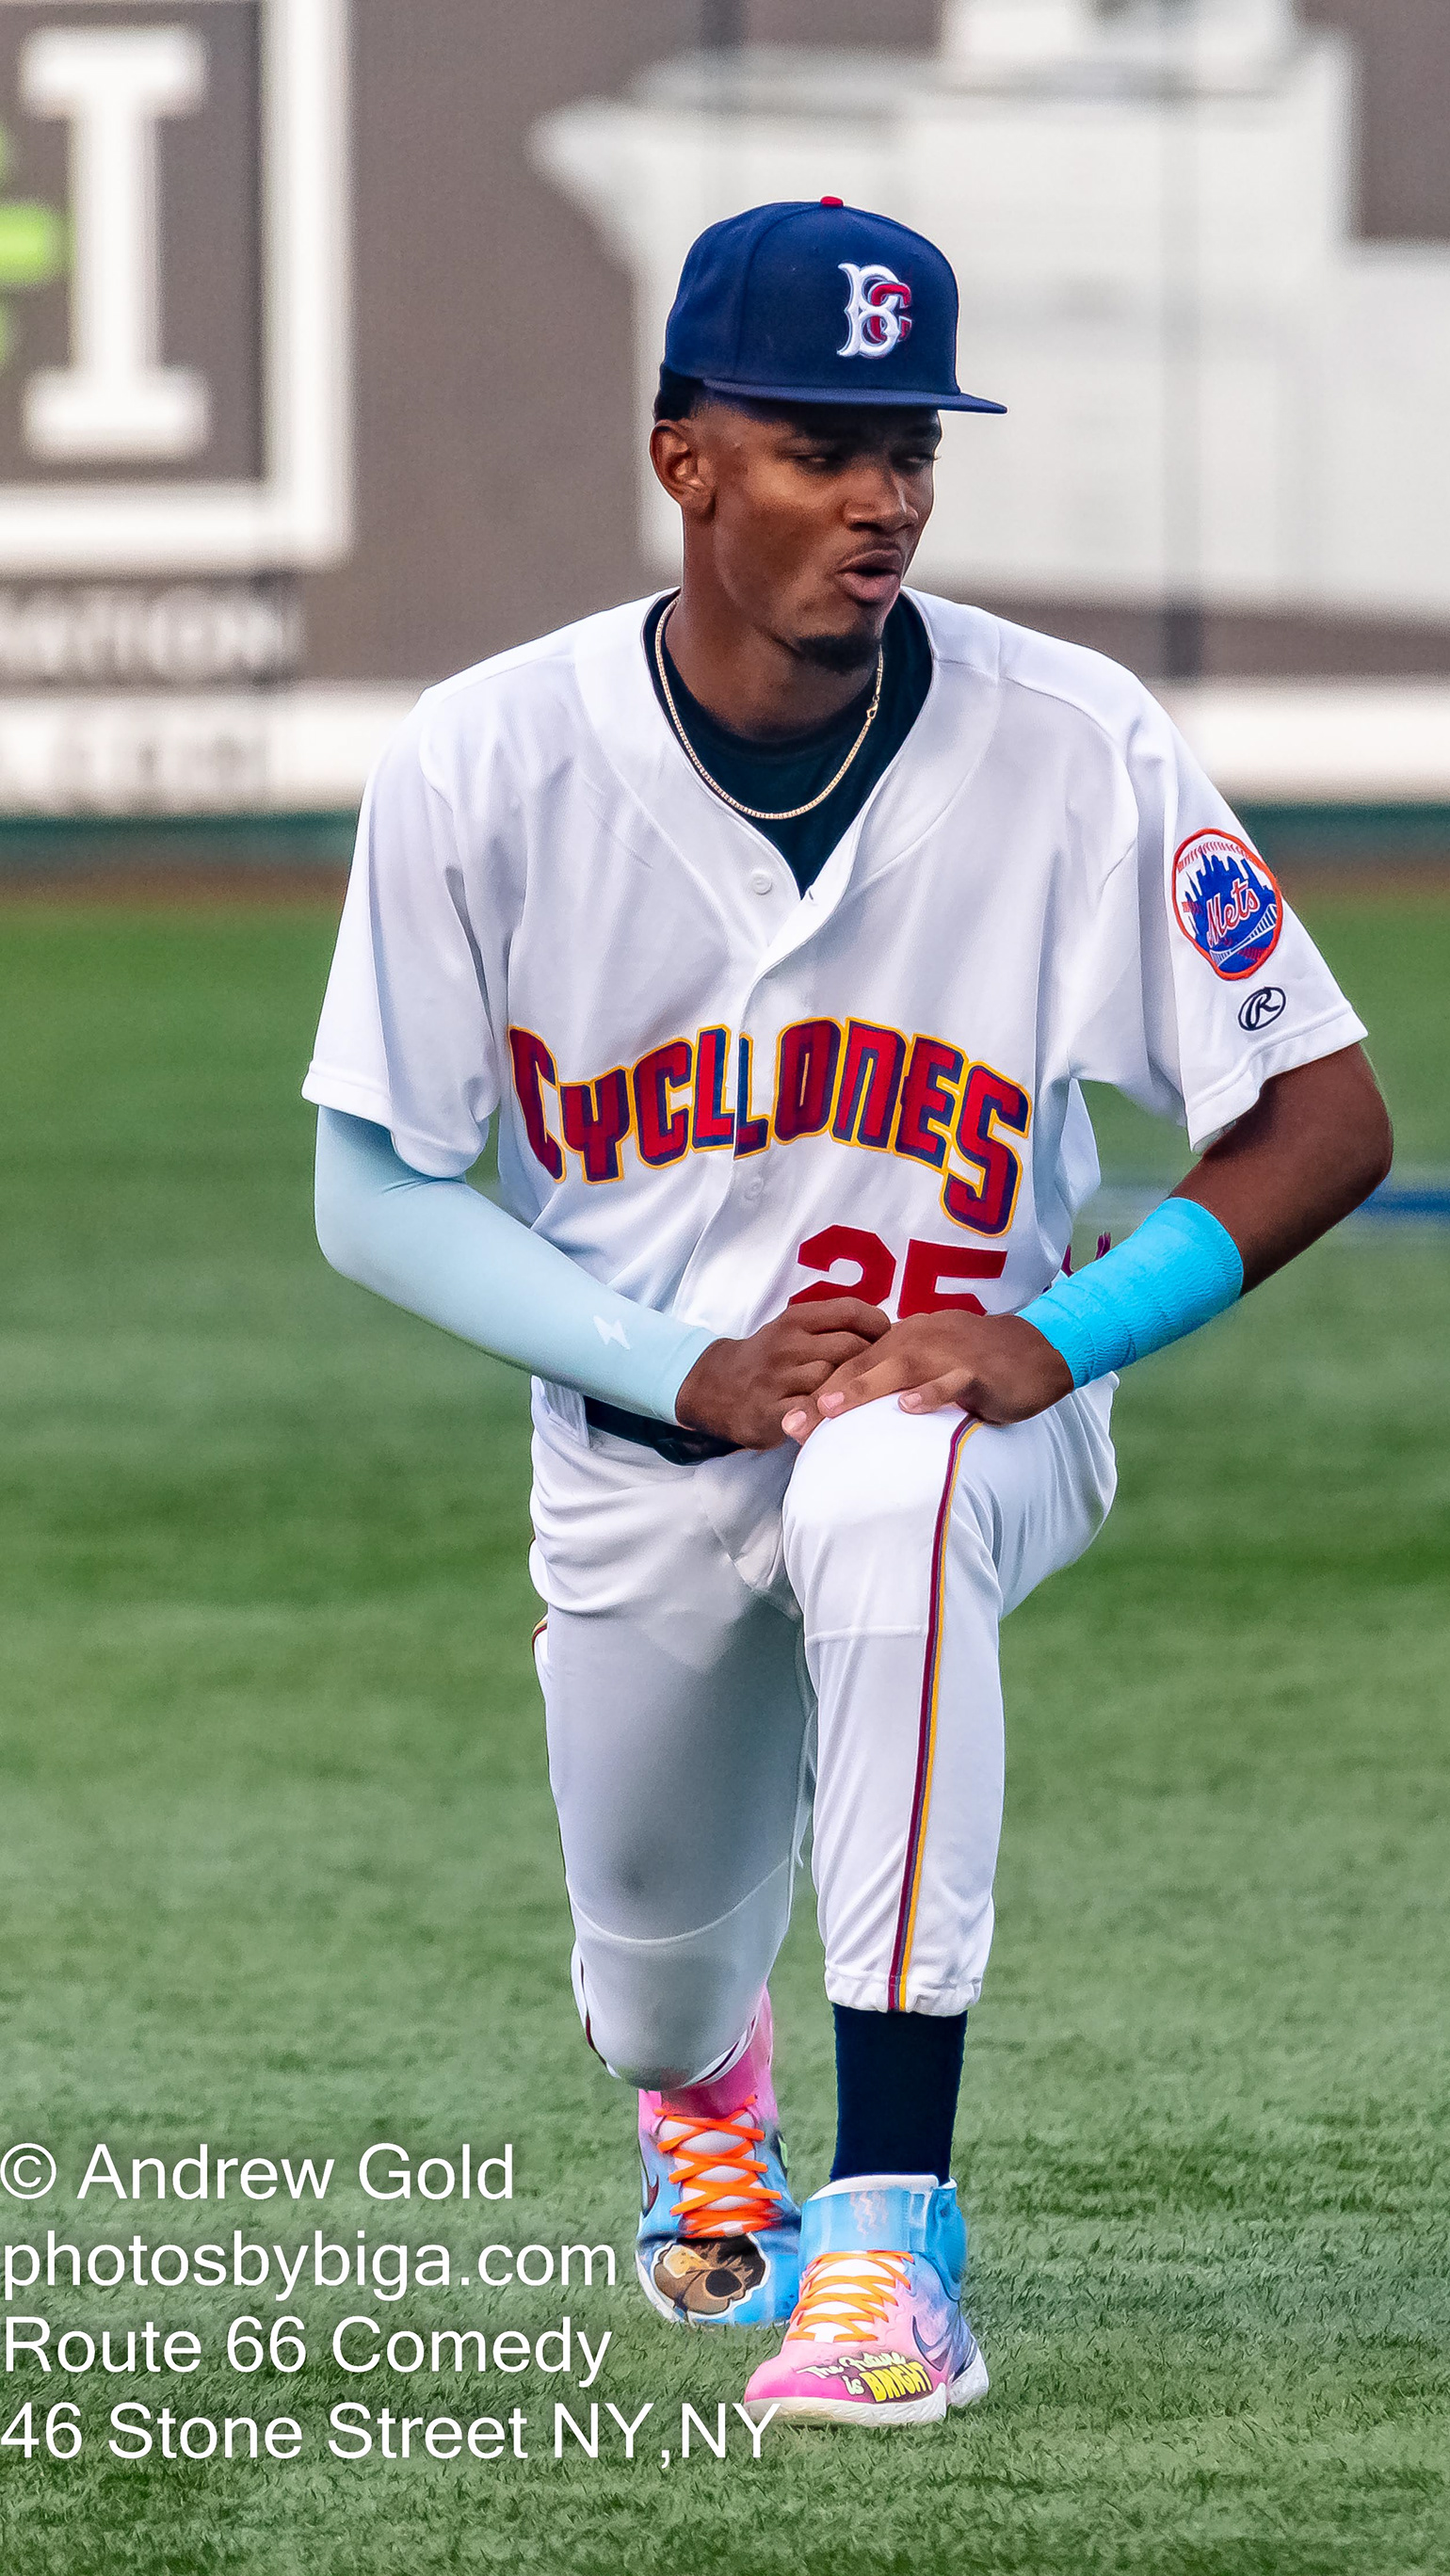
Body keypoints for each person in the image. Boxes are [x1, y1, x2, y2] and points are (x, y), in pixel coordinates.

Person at [305, 198, 1392, 2428]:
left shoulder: (1075, 742)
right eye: (818, 444)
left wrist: (1065, 1333)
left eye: (911, 445)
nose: (881, 496)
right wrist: (674, 1370)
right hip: (640, 1460)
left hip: (978, 1424)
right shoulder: (483, 765)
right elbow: (371, 1197)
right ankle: (706, 2085)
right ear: (681, 456)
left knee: (889, 1487)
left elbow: (1326, 1115)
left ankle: (892, 2244)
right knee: (648, 1972)